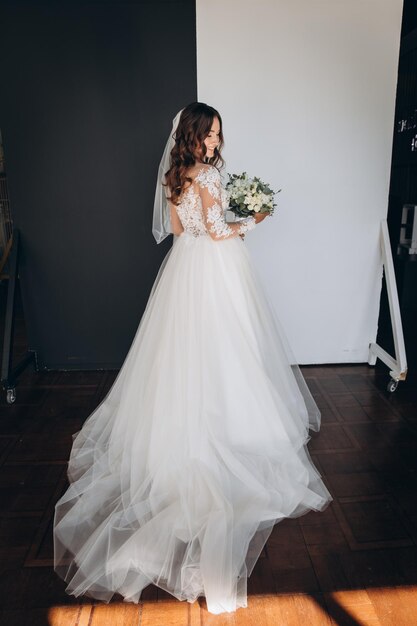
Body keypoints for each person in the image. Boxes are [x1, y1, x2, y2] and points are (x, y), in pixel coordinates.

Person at [53, 102, 332, 615]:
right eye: (211, 135)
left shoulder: (174, 175)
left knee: (182, 357)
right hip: (216, 271)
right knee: (229, 351)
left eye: (219, 136)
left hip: (184, 272)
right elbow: (218, 231)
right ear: (196, 134)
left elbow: (182, 233)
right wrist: (253, 220)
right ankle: (226, 433)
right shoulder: (207, 175)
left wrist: (224, 221)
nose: (217, 143)